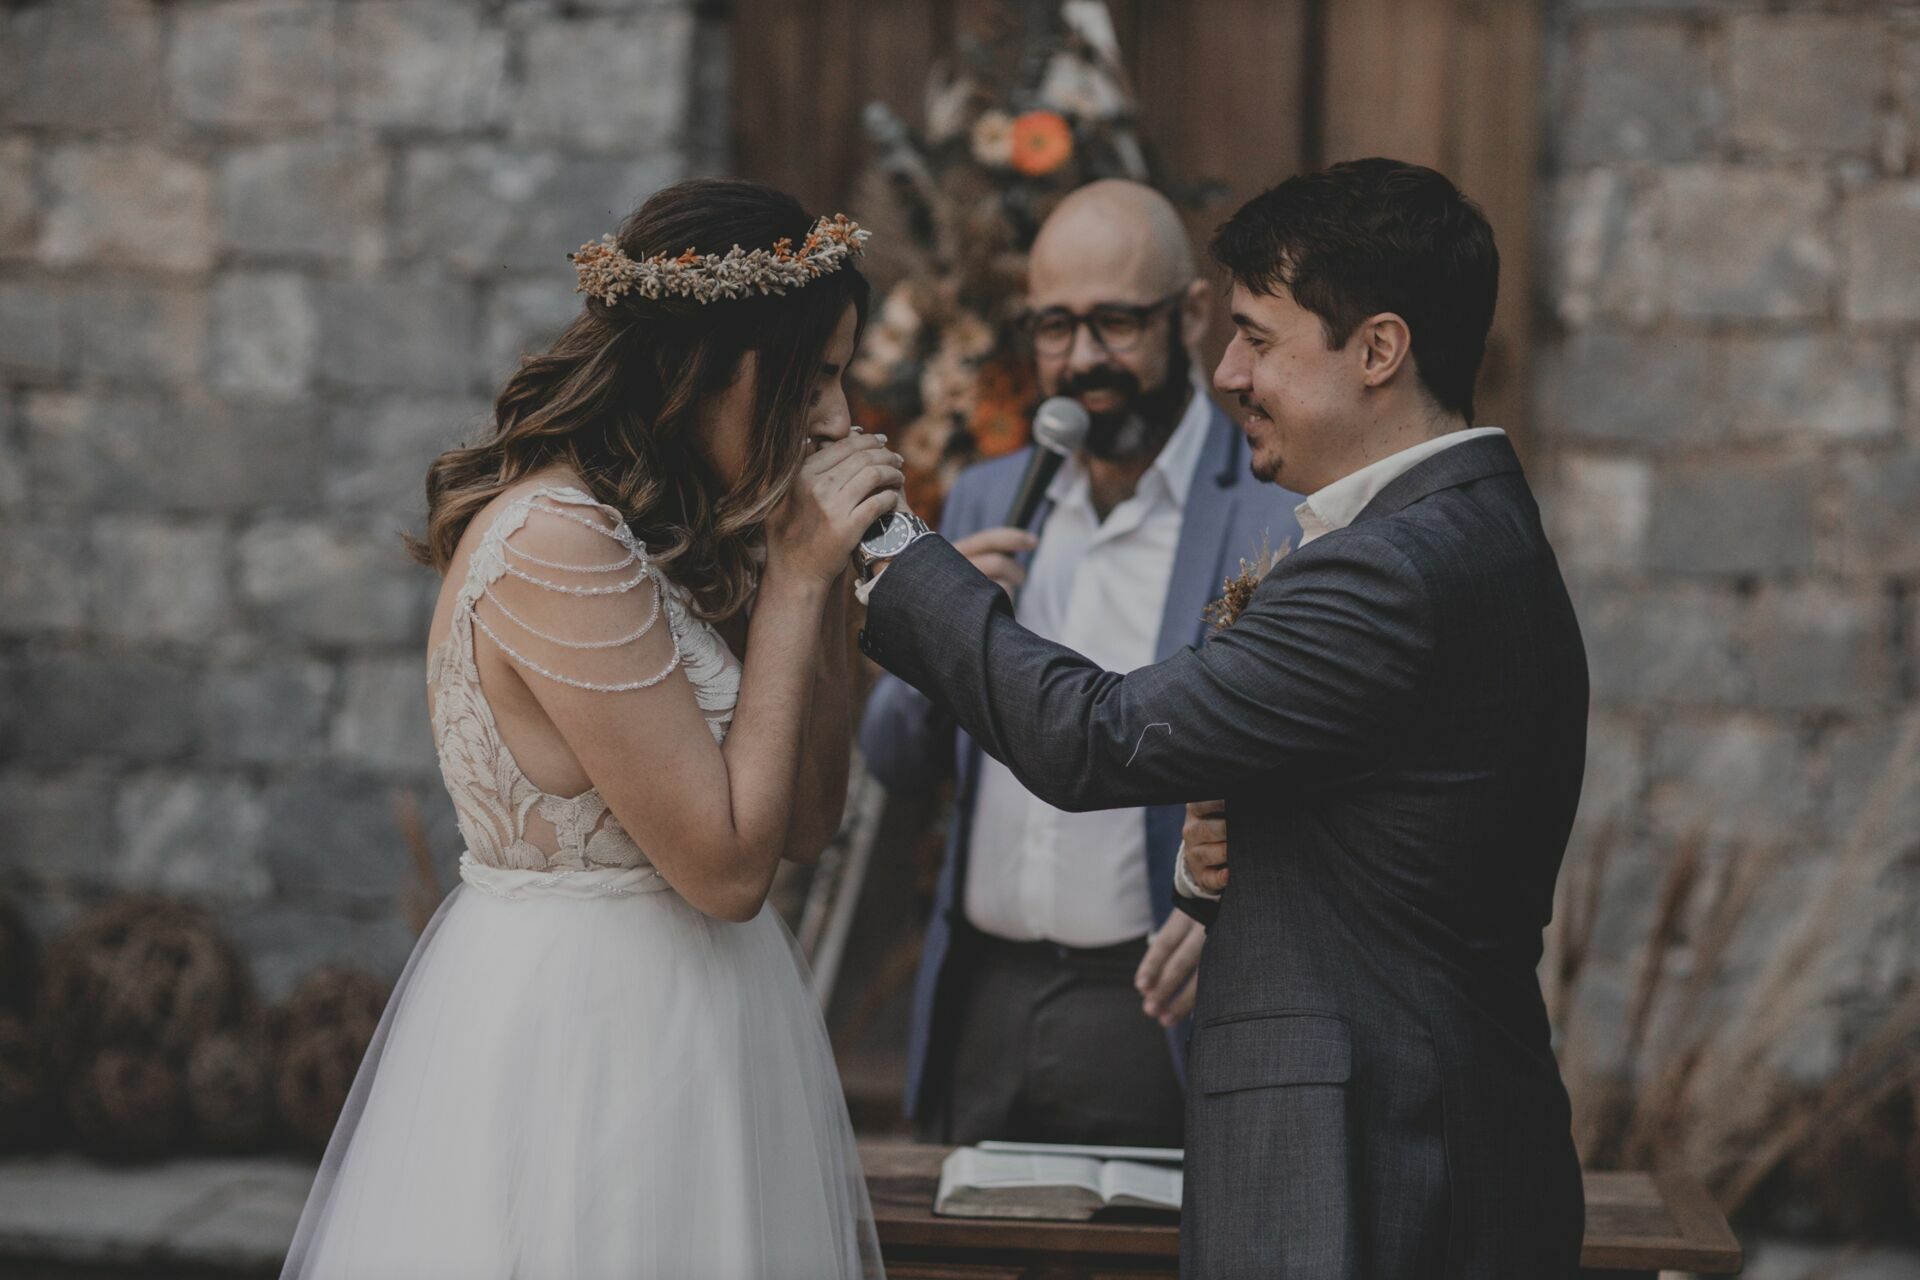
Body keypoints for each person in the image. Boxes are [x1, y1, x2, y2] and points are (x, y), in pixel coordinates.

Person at [854, 159, 1589, 1277]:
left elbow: (1099, 737)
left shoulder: (1391, 568)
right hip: (1420, 1135)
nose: (1231, 373)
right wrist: (1214, 860)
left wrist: (892, 549)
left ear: (1378, 350)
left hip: (1369, 1168)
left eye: (1257, 338)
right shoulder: (1470, 525)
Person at [281, 178, 896, 1279]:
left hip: (715, 1033)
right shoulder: (555, 542)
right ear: (706, 361)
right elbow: (727, 870)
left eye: (843, 377)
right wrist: (798, 579)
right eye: (814, 375)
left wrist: (816, 583)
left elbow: (805, 821)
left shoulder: (671, 529)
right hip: (595, 1048)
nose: (837, 418)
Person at [860, 180, 1300, 1148]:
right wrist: (941, 640)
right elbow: (894, 757)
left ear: (1191, 314)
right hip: (984, 991)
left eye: (1116, 322)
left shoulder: (1266, 509)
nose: (1083, 358)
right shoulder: (985, 498)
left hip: (1157, 1003)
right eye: (1055, 326)